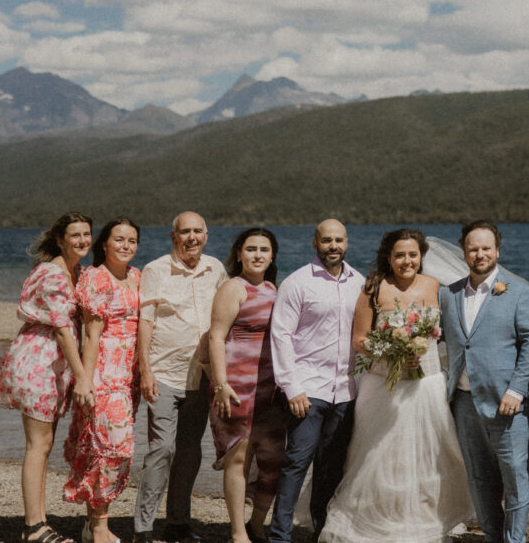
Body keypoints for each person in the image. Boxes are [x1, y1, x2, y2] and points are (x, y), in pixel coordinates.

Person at [321, 229, 473, 542]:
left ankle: (422, 519)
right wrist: (393, 351)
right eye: (400, 255)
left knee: (429, 456)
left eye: (413, 254)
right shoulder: (374, 287)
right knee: (379, 457)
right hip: (383, 387)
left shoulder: (434, 285)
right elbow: (360, 340)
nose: (407, 261)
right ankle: (377, 519)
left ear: (422, 256)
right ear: (389, 257)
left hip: (427, 385)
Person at [438, 220, 529, 543]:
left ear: (497, 250)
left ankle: (515, 540)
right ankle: (492, 537)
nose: (480, 254)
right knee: (478, 478)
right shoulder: (448, 293)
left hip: (508, 403)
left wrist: (516, 389)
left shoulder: (520, 291)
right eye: (473, 248)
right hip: (464, 401)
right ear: (464, 252)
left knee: (514, 478)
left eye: (486, 248)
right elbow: (439, 337)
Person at [0, 212, 93, 543]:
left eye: (87, 234)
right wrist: (82, 378)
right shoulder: (53, 274)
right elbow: (63, 331)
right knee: (38, 444)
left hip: (55, 366)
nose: (82, 240)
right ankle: (34, 527)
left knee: (44, 444)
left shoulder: (76, 272)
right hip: (39, 362)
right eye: (75, 235)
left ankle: (38, 522)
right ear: (60, 240)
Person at [133, 212, 227, 543]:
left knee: (189, 451)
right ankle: (143, 527)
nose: (191, 237)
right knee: (161, 450)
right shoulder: (156, 270)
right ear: (174, 237)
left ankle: (178, 522)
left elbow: (226, 317)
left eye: (197, 231)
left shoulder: (216, 268)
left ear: (206, 234)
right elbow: (145, 322)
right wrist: (145, 369)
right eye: (184, 232)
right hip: (164, 374)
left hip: (202, 377)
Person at [268, 219, 364, 542]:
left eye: (338, 240)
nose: (333, 246)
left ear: (347, 243)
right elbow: (280, 335)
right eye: (326, 240)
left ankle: (321, 530)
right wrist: (292, 388)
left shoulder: (359, 283)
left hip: (345, 390)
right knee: (296, 464)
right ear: (315, 243)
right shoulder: (297, 283)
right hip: (307, 391)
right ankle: (279, 535)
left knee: (331, 467)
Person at [63, 217, 143, 543]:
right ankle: (99, 527)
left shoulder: (136, 276)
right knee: (113, 452)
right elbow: (91, 337)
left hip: (130, 377)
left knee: (104, 448)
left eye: (132, 240)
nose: (125, 246)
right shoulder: (97, 278)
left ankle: (92, 523)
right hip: (105, 375)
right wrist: (85, 380)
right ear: (105, 244)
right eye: (119, 239)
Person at [207, 228, 288, 543]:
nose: (257, 255)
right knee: (238, 457)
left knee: (273, 462)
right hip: (236, 386)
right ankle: (238, 532)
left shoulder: (272, 289)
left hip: (271, 391)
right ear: (239, 254)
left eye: (264, 250)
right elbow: (216, 335)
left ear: (272, 256)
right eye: (251, 249)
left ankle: (257, 522)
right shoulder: (232, 287)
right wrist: (221, 384)